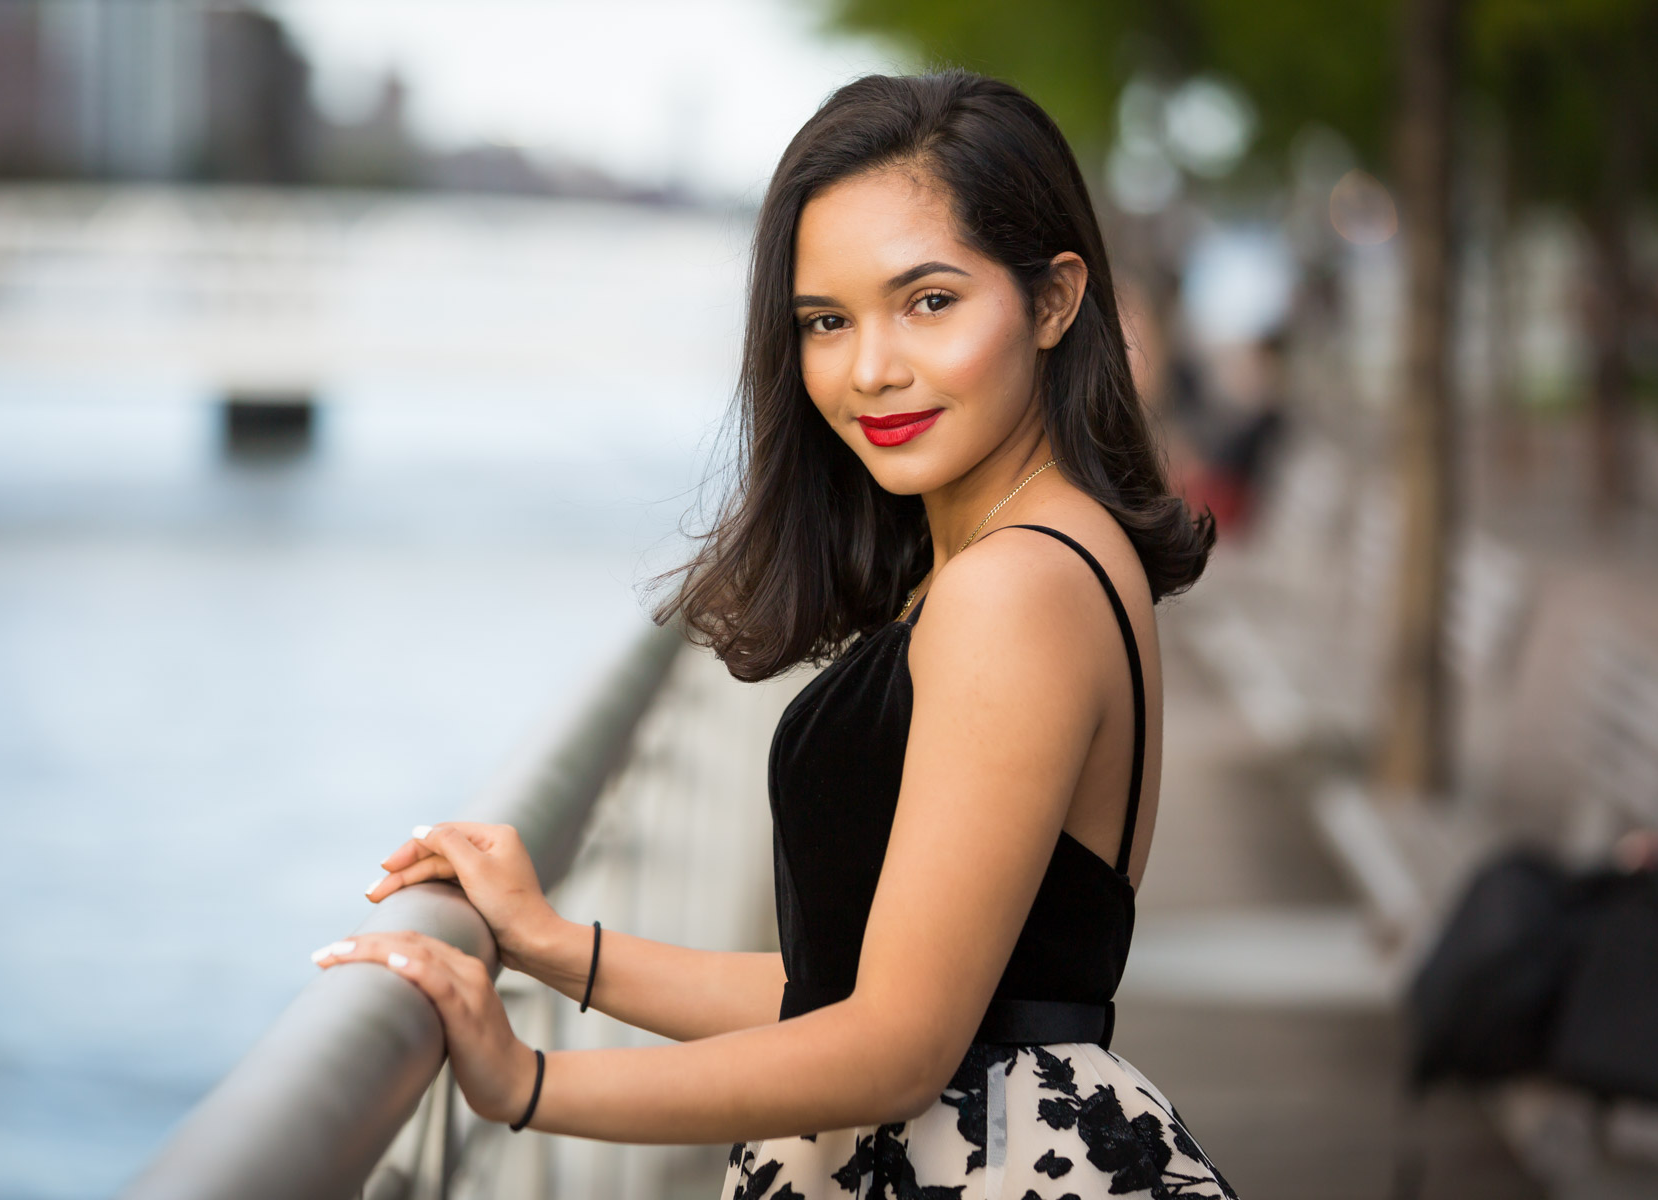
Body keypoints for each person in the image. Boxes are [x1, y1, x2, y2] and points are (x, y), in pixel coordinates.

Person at [316, 70, 1232, 1199]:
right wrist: (562, 948)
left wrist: (529, 1084)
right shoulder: (1033, 555)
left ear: (1052, 301)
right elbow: (849, 988)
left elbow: (898, 1046)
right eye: (826, 321)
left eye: (930, 301)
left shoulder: (1016, 589)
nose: (871, 368)